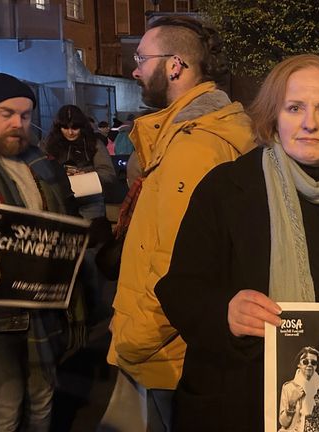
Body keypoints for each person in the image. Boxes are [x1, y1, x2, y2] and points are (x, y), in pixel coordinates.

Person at [155, 54, 319, 431]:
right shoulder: (227, 187)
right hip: (242, 399)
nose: (309, 123)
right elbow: (179, 288)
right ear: (274, 116)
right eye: (294, 108)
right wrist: (225, 311)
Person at [104, 15, 254, 431]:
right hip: (170, 349)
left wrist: (134, 341)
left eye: (141, 57)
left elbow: (174, 266)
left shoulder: (195, 146)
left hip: (166, 357)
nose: (135, 69)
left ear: (174, 65)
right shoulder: (182, 135)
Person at [0, 72, 83, 432]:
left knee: (43, 398)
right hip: (0, 319)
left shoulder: (43, 165)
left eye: (26, 116)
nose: (18, 124)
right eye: (6, 113)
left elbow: (68, 221)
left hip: (43, 309)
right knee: (5, 408)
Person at [42, 104, 116, 220]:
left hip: (91, 205)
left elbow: (108, 173)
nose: (70, 132)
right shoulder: (48, 144)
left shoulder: (94, 143)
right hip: (60, 205)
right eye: (65, 128)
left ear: (82, 127)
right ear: (58, 127)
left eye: (75, 128)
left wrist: (85, 175)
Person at [278, 347, 319, 432]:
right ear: (299, 364)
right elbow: (284, 423)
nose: (309, 365)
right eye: (305, 362)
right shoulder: (289, 387)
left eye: (313, 363)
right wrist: (291, 405)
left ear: (316, 366)